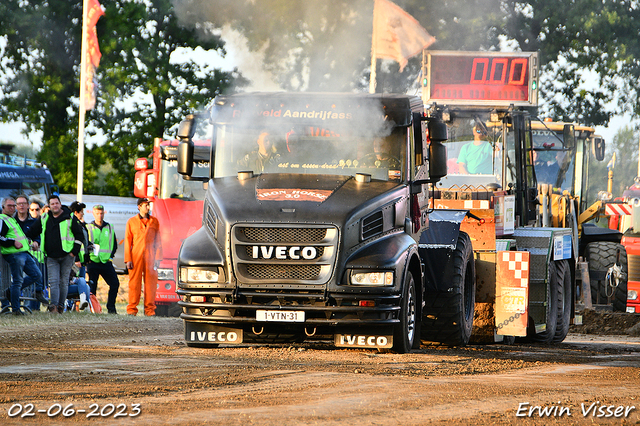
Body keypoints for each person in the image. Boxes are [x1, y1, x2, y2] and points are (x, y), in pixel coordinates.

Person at [27, 195, 84, 314]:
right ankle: (53, 307)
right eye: (52, 204)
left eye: (56, 203)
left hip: (67, 256)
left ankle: (60, 307)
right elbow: (33, 231)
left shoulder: (69, 217)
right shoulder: (44, 218)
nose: (55, 206)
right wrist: (27, 239)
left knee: (63, 282)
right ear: (49, 206)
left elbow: (79, 235)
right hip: (51, 256)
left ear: (60, 203)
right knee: (53, 281)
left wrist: (74, 252)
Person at [0, 197, 47, 315]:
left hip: (24, 252)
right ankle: (16, 309)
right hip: (14, 254)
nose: (12, 208)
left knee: (36, 275)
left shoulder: (11, 219)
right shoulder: (2, 219)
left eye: (13, 205)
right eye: (9, 206)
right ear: (3, 207)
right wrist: (12, 242)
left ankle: (10, 292)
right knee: (18, 281)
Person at [124, 198, 162, 316]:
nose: (148, 207)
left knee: (151, 284)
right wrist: (128, 259)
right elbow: (127, 241)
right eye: (146, 205)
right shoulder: (131, 222)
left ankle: (150, 310)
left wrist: (157, 258)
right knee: (134, 284)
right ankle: (132, 310)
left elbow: (158, 241)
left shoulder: (154, 221)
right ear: (139, 206)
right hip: (136, 255)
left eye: (149, 205)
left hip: (150, 256)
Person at [86, 204, 120, 314]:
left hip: (106, 261)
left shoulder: (109, 227)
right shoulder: (89, 227)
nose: (99, 216)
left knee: (115, 283)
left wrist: (110, 257)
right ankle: (94, 309)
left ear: (103, 213)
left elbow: (114, 244)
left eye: (101, 213)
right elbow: (85, 243)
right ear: (93, 213)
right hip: (93, 261)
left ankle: (111, 308)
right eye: (97, 213)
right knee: (92, 287)